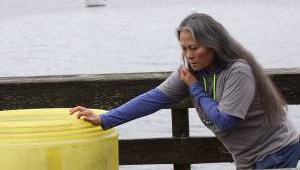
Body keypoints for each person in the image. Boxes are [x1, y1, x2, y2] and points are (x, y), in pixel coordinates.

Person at [70, 13, 300, 169]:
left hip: (275, 151)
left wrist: (194, 88)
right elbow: (153, 99)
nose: (189, 55)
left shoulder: (237, 71)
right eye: (184, 48)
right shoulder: (190, 71)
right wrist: (104, 119)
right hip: (248, 157)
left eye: (194, 48)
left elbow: (226, 121)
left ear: (214, 45)